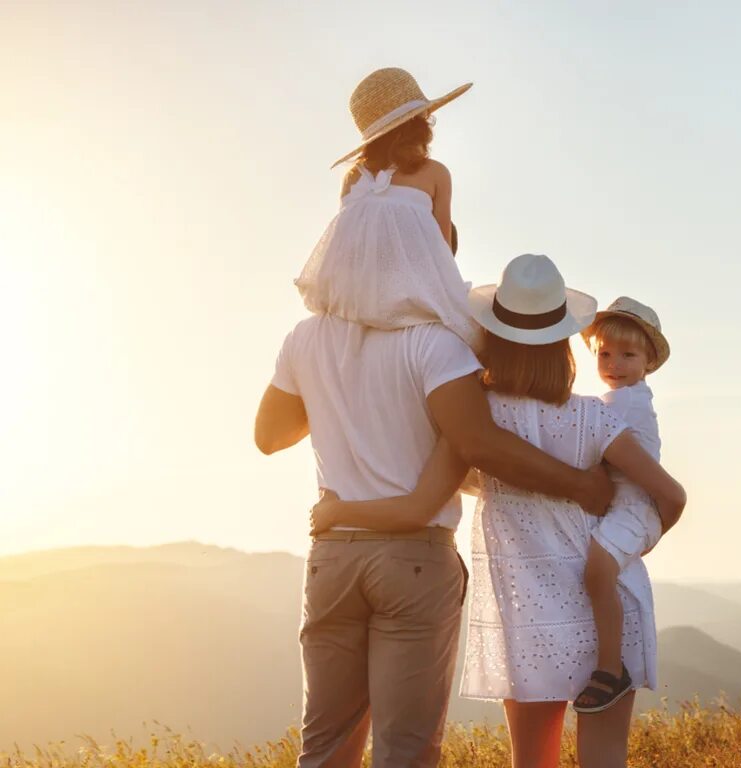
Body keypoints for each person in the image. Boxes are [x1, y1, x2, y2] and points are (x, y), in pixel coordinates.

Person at [255, 72, 616, 768]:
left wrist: (335, 394)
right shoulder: (436, 344)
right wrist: (581, 485)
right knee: (406, 751)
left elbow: (270, 437)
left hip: (333, 556)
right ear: (429, 227)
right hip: (412, 558)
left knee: (323, 747)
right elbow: (480, 442)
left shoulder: (306, 340)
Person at [311, 254, 686, 768]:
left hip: (529, 613)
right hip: (607, 610)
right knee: (605, 760)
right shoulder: (596, 419)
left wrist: (340, 509)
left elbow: (428, 498)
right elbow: (669, 495)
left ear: (491, 336)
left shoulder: (476, 423)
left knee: (533, 760)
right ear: (565, 342)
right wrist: (629, 543)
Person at [294, 67, 481, 352]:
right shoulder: (436, 173)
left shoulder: (352, 179)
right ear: (418, 124)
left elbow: (356, 247)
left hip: (356, 301)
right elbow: (442, 255)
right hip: (416, 296)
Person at [572, 297, 675, 714]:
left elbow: (585, 437)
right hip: (628, 506)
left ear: (648, 362)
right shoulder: (628, 397)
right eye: (605, 354)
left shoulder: (620, 404)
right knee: (600, 572)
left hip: (634, 507)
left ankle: (610, 668)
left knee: (597, 570)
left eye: (627, 356)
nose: (614, 364)